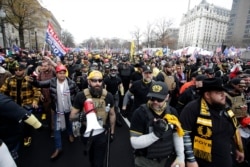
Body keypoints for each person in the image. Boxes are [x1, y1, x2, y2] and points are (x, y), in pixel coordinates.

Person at [180, 77, 245, 167]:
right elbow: (184, 134)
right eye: (219, 93)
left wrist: (239, 148)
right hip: (203, 161)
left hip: (226, 158)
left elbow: (235, 128)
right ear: (207, 95)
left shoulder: (226, 107)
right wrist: (191, 160)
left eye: (223, 92)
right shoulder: (192, 109)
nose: (223, 95)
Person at [130, 81, 185, 167]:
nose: (155, 101)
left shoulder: (172, 112)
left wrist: (180, 156)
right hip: (145, 162)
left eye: (159, 99)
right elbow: (134, 143)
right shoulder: (139, 113)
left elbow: (177, 134)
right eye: (152, 98)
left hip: (167, 160)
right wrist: (155, 134)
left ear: (167, 97)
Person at [31, 64, 79, 160]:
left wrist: (77, 107)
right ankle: (58, 148)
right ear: (56, 74)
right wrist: (33, 81)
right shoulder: (52, 82)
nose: (62, 75)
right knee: (56, 129)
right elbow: (40, 84)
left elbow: (78, 95)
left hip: (69, 108)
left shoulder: (72, 83)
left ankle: (70, 134)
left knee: (69, 122)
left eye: (63, 73)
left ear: (66, 73)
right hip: (57, 109)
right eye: (59, 73)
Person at [70, 70, 116, 167]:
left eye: (100, 80)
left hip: (102, 133)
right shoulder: (81, 96)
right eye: (94, 81)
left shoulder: (108, 96)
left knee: (98, 162)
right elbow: (71, 116)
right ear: (89, 82)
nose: (97, 83)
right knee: (91, 156)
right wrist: (80, 117)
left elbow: (112, 114)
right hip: (86, 132)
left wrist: (112, 132)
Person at [0, 63, 41, 147]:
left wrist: (35, 101)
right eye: (16, 70)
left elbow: (37, 91)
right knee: (15, 123)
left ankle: (27, 136)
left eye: (20, 70)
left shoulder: (29, 79)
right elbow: (2, 91)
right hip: (14, 105)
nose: (17, 72)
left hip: (26, 104)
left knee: (27, 122)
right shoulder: (9, 79)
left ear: (24, 70)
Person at [0, 93, 42, 162]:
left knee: (27, 125)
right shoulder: (9, 82)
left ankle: (27, 137)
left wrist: (35, 101)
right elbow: (4, 90)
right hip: (13, 107)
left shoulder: (29, 81)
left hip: (25, 106)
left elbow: (36, 90)